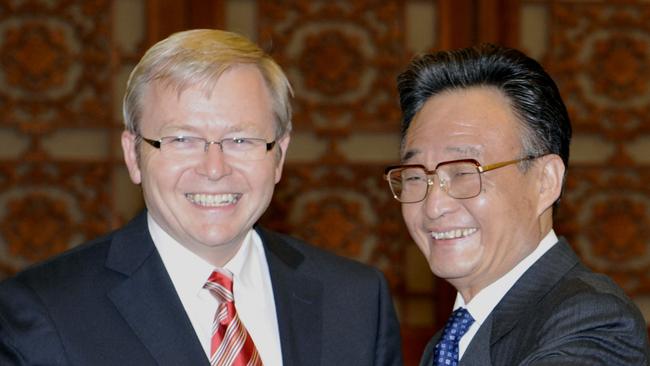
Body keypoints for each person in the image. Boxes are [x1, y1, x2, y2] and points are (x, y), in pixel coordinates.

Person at [0, 29, 402, 366]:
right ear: (133, 155)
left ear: (279, 155)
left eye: (241, 139)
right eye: (182, 139)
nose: (214, 168)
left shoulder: (357, 302)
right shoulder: (44, 311)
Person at [384, 44, 649, 366]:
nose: (433, 205)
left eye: (464, 172)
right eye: (415, 176)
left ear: (545, 181)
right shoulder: (447, 343)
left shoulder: (591, 320)